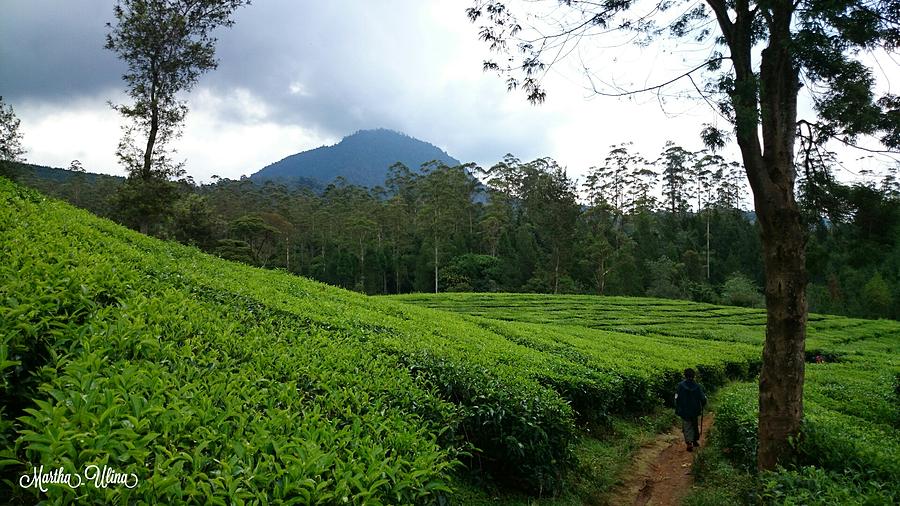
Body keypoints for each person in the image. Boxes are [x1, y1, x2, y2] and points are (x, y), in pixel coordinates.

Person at [674, 368, 708, 452]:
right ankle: (695, 440)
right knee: (694, 424)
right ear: (694, 376)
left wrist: (677, 407)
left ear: (685, 375)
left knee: (686, 426)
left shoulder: (680, 385)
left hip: (684, 410)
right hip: (694, 410)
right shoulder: (697, 386)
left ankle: (689, 442)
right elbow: (703, 398)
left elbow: (676, 398)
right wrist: (703, 402)